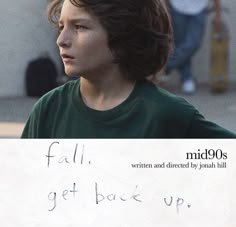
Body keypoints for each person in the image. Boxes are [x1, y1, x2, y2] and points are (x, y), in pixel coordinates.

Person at [21, 0, 236, 138]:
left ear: (123, 37)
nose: (61, 40)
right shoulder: (49, 109)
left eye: (79, 27)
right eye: (61, 27)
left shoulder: (167, 114)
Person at [160, 0, 223, 94]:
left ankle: (165, 66)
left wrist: (218, 14)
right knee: (181, 43)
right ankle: (187, 78)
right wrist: (165, 7)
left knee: (194, 44)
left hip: (199, 8)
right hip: (177, 6)